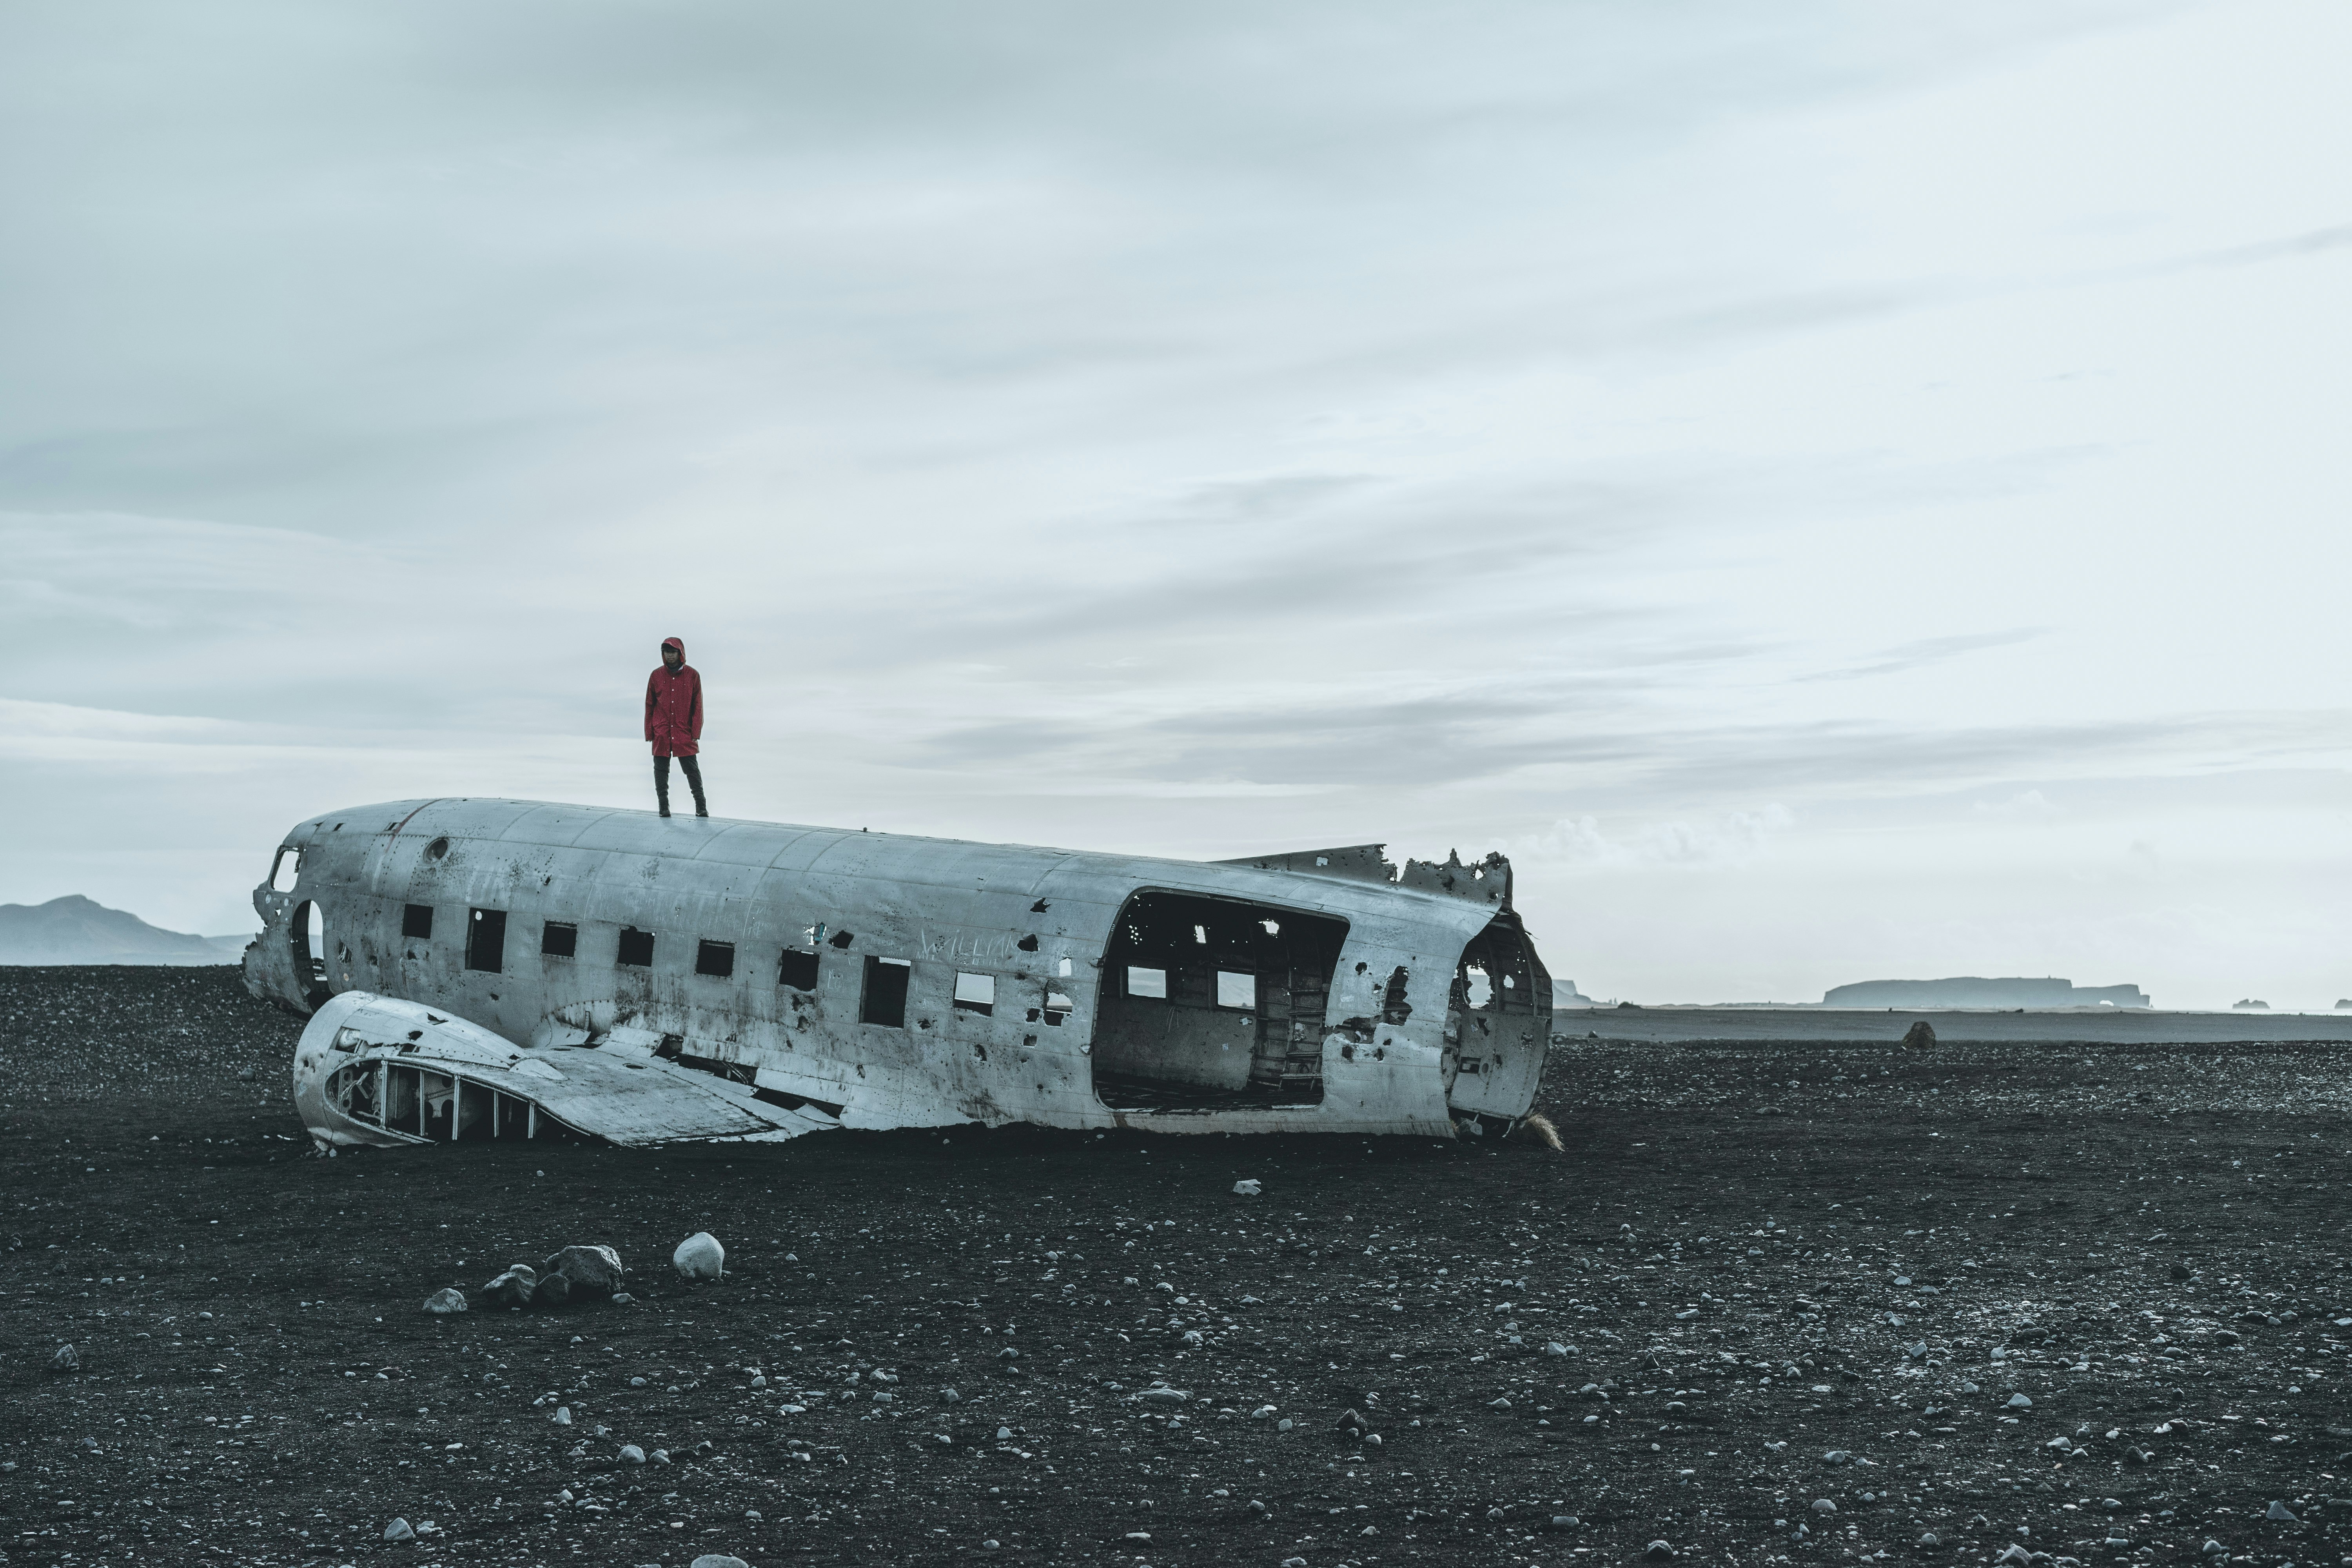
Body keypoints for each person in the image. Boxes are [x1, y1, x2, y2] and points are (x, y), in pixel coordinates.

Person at [644, 636, 707, 818]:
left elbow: (698, 705)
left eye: (673, 652)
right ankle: (663, 807)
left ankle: (701, 807)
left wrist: (696, 731)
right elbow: (650, 704)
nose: (670, 656)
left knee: (692, 770)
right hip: (662, 732)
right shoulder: (656, 676)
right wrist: (650, 731)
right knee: (661, 772)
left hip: (683, 731)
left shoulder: (693, 675)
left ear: (681, 653)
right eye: (666, 653)